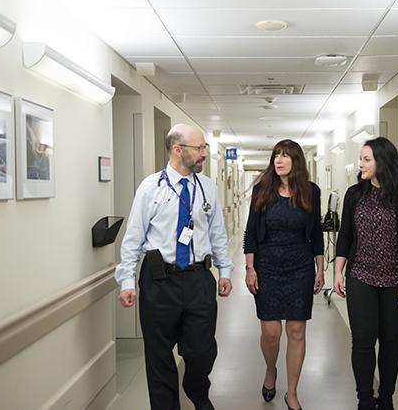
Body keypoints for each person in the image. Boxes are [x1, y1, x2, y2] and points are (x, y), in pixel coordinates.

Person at [115, 123, 234, 410]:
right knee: (159, 356)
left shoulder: (207, 188)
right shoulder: (150, 187)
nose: (205, 153)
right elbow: (133, 239)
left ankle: (196, 391)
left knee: (202, 351)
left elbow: (217, 232)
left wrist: (225, 270)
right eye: (200, 148)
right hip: (159, 281)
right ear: (178, 150)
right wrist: (127, 281)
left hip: (198, 280)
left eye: (205, 147)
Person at [332, 137, 398, 410]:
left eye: (366, 159)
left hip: (396, 280)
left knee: (390, 340)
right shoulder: (354, 194)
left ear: (382, 161)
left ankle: (385, 399)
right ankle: (364, 399)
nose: (360, 164)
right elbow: (345, 235)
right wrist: (338, 271)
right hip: (361, 276)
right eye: (360, 159)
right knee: (362, 340)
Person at [244, 139, 325, 410]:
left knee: (297, 331)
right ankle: (270, 369)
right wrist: (249, 268)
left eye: (285, 156)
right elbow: (250, 233)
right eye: (276, 155)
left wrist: (320, 268)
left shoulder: (311, 191)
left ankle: (292, 392)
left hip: (300, 266)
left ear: (296, 160)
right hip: (267, 266)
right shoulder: (262, 189)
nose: (279, 160)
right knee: (270, 333)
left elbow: (316, 233)